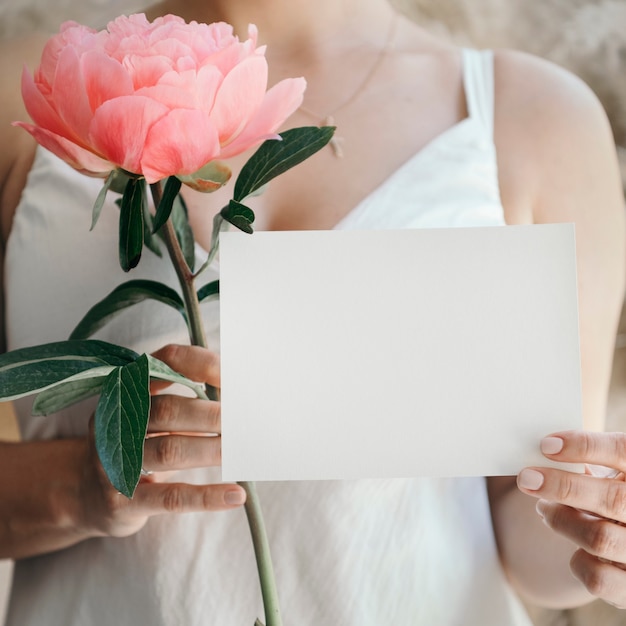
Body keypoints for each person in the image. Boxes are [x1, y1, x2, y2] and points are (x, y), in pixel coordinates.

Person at [0, 0, 624, 623]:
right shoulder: (27, 100)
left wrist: (604, 530)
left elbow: (540, 530)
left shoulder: (536, 118)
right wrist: (79, 487)